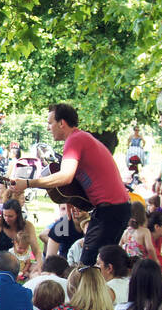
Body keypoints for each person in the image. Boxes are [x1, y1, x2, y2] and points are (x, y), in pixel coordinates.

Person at [9, 104, 131, 267]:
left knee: (88, 266)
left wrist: (29, 183)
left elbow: (65, 177)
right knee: (104, 265)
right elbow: (73, 183)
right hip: (115, 209)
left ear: (62, 123)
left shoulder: (75, 140)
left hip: (110, 210)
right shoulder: (81, 138)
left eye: (50, 122)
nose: (48, 127)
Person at [0, 198, 42, 267]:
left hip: (20, 262)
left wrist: (39, 264)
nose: (6, 219)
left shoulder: (27, 226)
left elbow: (36, 249)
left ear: (18, 215)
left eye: (10, 216)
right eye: (4, 215)